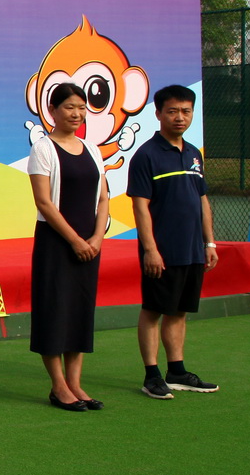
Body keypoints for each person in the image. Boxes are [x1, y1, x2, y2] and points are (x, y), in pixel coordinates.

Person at [127, 84, 220, 399]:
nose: (180, 117)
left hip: (192, 250)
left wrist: (209, 244)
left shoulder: (194, 153)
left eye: (186, 111)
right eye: (172, 111)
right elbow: (140, 207)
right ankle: (152, 376)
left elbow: (202, 200)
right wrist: (150, 250)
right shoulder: (146, 156)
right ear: (158, 114)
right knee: (153, 310)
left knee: (179, 311)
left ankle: (177, 371)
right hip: (162, 253)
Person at [28, 83, 111, 412]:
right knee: (54, 310)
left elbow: (103, 197)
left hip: (90, 245)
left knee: (79, 311)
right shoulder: (43, 148)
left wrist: (96, 238)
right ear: (52, 111)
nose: (76, 114)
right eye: (69, 107)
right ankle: (58, 386)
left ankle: (76, 384)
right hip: (56, 243)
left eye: (81, 107)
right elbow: (44, 203)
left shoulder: (92, 149)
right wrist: (75, 240)